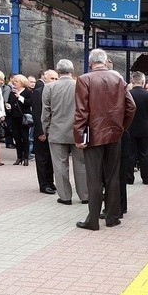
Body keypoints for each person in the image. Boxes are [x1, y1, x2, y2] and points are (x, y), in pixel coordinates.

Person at [73, 48, 135, 231]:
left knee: (94, 178)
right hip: (114, 134)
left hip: (93, 135)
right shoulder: (118, 79)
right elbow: (131, 107)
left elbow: (81, 112)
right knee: (112, 176)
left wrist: (79, 135)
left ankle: (92, 220)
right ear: (106, 61)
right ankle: (112, 217)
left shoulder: (85, 80)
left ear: (90, 62)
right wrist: (122, 127)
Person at [42, 59, 87, 205]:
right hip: (77, 132)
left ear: (58, 70)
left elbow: (46, 112)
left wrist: (46, 129)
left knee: (60, 165)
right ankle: (85, 195)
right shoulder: (79, 85)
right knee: (81, 164)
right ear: (72, 71)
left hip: (57, 131)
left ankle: (65, 196)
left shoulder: (49, 87)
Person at [32, 69, 58, 194]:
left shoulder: (57, 92)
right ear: (45, 78)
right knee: (42, 159)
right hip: (42, 131)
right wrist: (40, 132)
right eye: (52, 78)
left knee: (51, 158)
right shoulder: (38, 92)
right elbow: (36, 113)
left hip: (53, 131)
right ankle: (43, 184)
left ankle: (50, 181)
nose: (54, 81)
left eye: (56, 79)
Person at [128, 72, 148, 185]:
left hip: (130, 127)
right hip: (144, 127)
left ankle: (129, 178)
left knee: (130, 154)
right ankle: (146, 178)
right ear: (143, 82)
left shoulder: (127, 94)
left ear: (132, 81)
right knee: (145, 153)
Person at [6, 74, 33, 166]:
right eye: (14, 81)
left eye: (16, 81)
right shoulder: (12, 93)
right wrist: (8, 106)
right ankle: (19, 157)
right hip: (14, 118)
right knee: (17, 138)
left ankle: (26, 157)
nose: (14, 83)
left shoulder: (28, 92)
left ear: (22, 82)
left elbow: (29, 103)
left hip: (24, 119)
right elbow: (10, 103)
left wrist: (20, 97)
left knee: (25, 138)